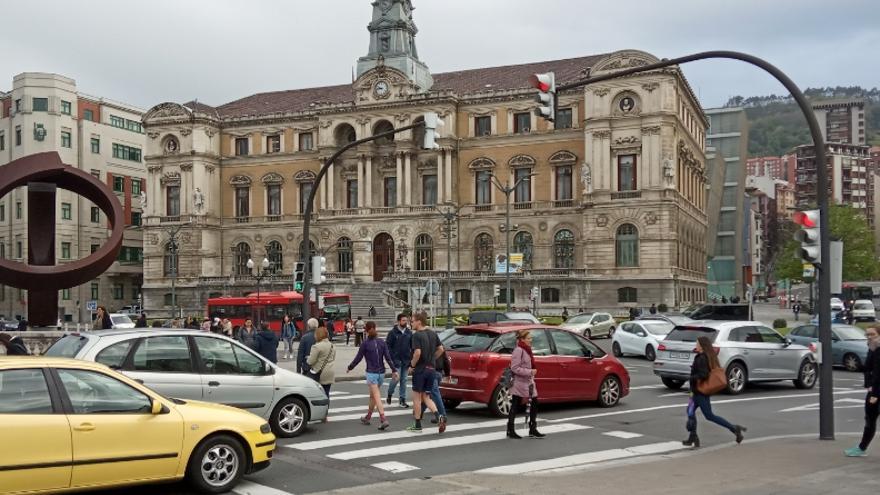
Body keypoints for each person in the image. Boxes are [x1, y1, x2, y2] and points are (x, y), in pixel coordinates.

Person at [683, 336, 746, 448]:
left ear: (702, 346)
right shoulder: (703, 356)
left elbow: (704, 374)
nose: (695, 345)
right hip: (695, 392)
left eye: (697, 343)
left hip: (700, 392)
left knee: (709, 415)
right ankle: (693, 437)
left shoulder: (702, 358)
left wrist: (692, 377)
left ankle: (735, 429)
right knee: (690, 412)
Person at [347, 322, 397, 430]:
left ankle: (383, 419)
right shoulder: (381, 342)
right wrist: (394, 370)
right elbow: (388, 358)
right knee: (373, 396)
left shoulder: (365, 344)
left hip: (371, 373)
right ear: (375, 328)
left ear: (366, 330)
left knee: (376, 396)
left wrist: (350, 367)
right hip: (381, 373)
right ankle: (368, 417)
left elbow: (358, 358)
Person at [407, 311, 445, 434]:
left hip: (420, 370)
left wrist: (411, 365)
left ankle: (417, 425)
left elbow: (417, 352)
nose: (410, 323)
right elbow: (441, 349)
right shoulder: (433, 334)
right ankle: (439, 415)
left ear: (419, 321)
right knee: (426, 397)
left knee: (417, 398)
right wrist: (432, 358)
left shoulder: (417, 335)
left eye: (412, 321)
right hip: (431, 369)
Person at [846, 327, 880, 457]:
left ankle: (861, 448)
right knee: (870, 419)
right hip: (874, 389)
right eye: (867, 334)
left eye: (872, 334)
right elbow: (869, 368)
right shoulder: (873, 348)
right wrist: (856, 366)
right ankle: (861, 448)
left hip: (876, 391)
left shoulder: (878, 349)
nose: (869, 336)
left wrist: (875, 394)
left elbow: (878, 373)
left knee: (870, 420)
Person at [507, 329, 543, 439]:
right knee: (515, 405)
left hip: (529, 382)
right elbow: (514, 368)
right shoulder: (518, 350)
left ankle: (533, 429)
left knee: (534, 403)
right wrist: (530, 372)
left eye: (531, 338)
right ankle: (510, 430)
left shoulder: (527, 349)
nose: (531, 340)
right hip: (519, 382)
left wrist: (531, 373)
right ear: (522, 339)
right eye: (529, 338)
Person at [307, 326, 337, 414]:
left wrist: (307, 358)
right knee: (326, 393)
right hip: (330, 372)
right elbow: (333, 358)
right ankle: (325, 413)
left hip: (319, 373)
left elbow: (310, 361)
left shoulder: (316, 346)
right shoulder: (332, 346)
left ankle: (317, 413)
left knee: (317, 393)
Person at [385, 314, 412, 408]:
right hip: (396, 361)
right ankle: (389, 394)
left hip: (406, 360)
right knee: (396, 379)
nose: (405, 322)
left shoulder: (409, 332)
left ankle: (402, 400)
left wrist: (411, 360)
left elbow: (412, 347)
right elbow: (387, 347)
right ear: (398, 321)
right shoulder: (392, 333)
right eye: (403, 320)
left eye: (406, 320)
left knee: (404, 380)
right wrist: (392, 358)